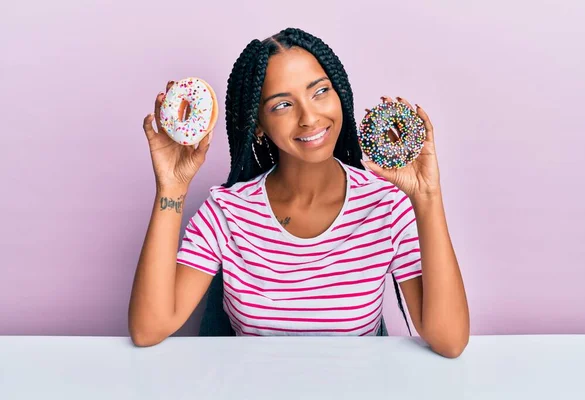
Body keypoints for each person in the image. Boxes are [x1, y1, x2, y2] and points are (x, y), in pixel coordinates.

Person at [129, 28, 469, 358]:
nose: (309, 117)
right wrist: (170, 188)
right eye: (282, 105)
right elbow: (148, 328)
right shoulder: (226, 212)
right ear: (258, 124)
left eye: (320, 91)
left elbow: (449, 340)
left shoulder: (385, 206)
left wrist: (427, 197)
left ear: (339, 94)